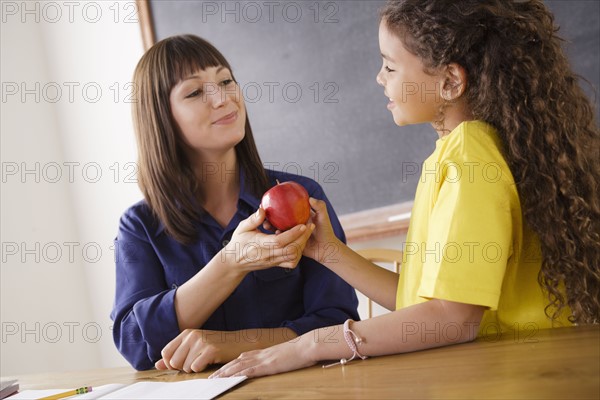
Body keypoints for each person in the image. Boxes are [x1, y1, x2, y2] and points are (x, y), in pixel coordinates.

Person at [211, 0, 600, 378]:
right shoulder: (457, 153)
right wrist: (329, 252)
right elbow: (424, 307)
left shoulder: (470, 158)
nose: (380, 78)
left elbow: (453, 320)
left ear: (450, 81)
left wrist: (309, 345)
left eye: (390, 66)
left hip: (519, 378)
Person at [110, 34, 360, 372]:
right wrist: (231, 262)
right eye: (196, 91)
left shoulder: (302, 193)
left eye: (226, 80)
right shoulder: (140, 226)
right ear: (161, 117)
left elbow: (338, 323)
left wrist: (234, 344)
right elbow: (135, 345)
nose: (223, 98)